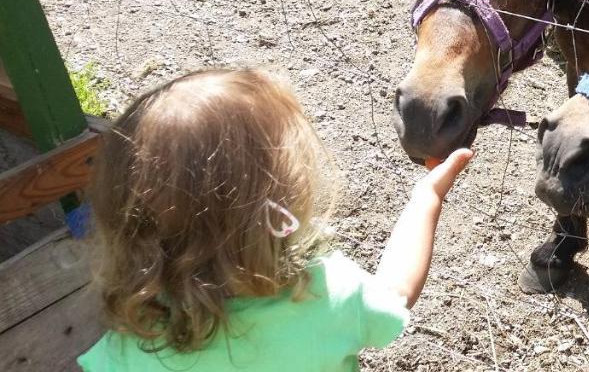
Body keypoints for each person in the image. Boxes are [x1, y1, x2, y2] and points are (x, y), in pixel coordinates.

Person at [77, 68, 472, 371]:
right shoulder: (324, 295)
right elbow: (397, 290)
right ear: (275, 205)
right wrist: (427, 197)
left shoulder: (127, 349)